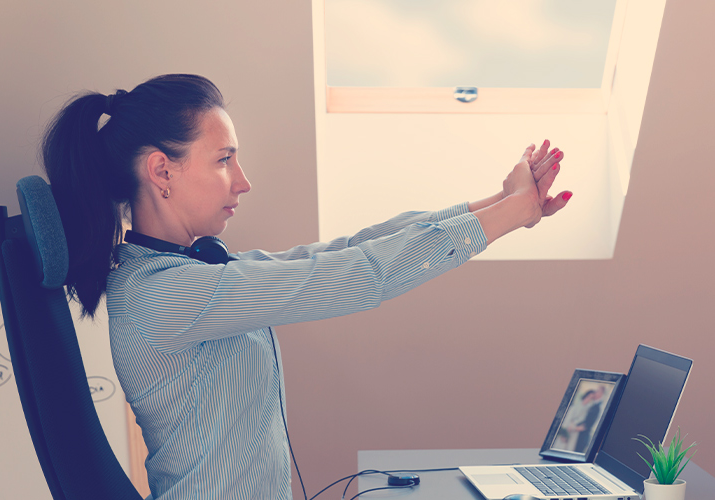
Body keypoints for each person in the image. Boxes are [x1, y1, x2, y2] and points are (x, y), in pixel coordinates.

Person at [42, 74, 572, 500]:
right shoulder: (165, 294)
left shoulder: (194, 273)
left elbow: (345, 251)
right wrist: (506, 217)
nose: (243, 180)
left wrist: (499, 202)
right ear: (162, 171)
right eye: (224, 159)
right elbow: (357, 276)